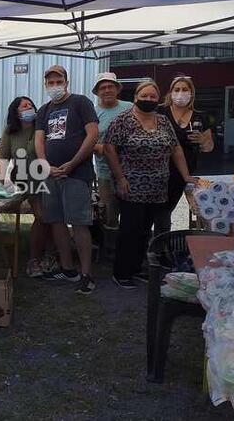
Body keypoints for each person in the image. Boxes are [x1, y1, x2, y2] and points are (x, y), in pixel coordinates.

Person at [104, 80, 197, 289]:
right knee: (130, 230)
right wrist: (120, 178)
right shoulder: (123, 120)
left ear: (158, 99)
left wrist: (186, 176)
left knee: (146, 230)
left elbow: (176, 150)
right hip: (131, 187)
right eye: (144, 96)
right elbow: (110, 149)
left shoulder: (163, 121)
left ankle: (137, 268)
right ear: (136, 97)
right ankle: (122, 272)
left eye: (153, 96)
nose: (148, 99)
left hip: (157, 188)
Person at [34, 65, 99, 295]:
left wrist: (73, 163)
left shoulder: (81, 103)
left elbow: (92, 134)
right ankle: (68, 268)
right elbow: (39, 140)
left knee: (79, 223)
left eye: (58, 81)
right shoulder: (43, 110)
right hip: (51, 175)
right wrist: (45, 164)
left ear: (66, 81)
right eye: (50, 83)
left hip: (77, 174)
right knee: (56, 221)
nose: (54, 86)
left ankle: (86, 273)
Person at [0, 96, 53, 277]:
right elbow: (3, 156)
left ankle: (49, 255)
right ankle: (34, 258)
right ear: (16, 112)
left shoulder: (42, 126)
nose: (29, 107)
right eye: (24, 106)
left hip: (48, 175)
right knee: (42, 216)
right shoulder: (10, 131)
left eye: (30, 104)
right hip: (26, 178)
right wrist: (0, 182)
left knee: (51, 217)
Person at [154, 75, 214, 236]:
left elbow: (209, 147)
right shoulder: (159, 111)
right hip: (158, 170)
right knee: (160, 211)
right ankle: (158, 243)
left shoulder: (200, 116)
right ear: (171, 92)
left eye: (185, 89)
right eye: (177, 89)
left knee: (167, 209)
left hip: (184, 173)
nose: (181, 93)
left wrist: (203, 140)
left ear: (192, 93)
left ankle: (160, 243)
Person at [92, 72, 133, 230]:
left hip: (131, 172)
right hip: (105, 173)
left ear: (117, 89)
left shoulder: (130, 108)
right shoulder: (93, 113)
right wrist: (102, 148)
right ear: (97, 92)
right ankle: (110, 251)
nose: (107, 90)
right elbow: (86, 141)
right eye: (102, 88)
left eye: (110, 86)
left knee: (131, 214)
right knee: (109, 216)